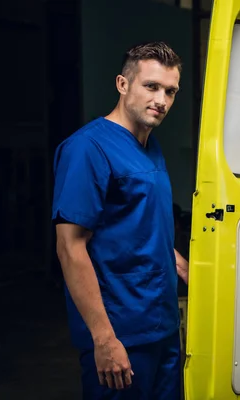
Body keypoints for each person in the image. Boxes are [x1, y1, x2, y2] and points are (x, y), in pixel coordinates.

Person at [52, 41, 189, 399]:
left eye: (170, 91)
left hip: (162, 325)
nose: (161, 100)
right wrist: (104, 338)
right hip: (121, 331)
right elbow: (70, 246)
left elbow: (134, 222)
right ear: (122, 84)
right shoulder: (88, 148)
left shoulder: (149, 145)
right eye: (152, 87)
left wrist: (173, 259)